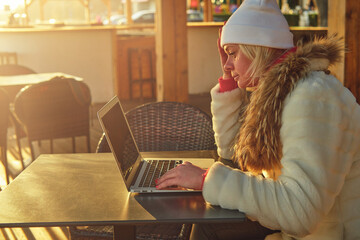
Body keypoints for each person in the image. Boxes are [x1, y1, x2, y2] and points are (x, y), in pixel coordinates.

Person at [156, 0, 360, 239]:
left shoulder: (312, 97)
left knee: (208, 226)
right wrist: (228, 81)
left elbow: (299, 212)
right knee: (206, 221)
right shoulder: (277, 92)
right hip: (297, 229)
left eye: (232, 53)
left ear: (258, 48)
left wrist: (205, 180)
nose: (228, 63)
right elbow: (234, 156)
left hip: (332, 234)